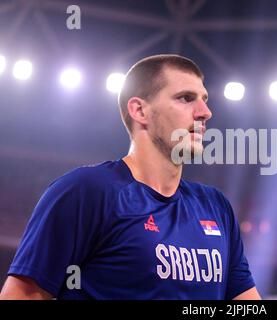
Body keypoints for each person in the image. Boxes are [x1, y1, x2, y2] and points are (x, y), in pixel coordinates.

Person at [0, 54, 260, 300]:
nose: (205, 112)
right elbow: (21, 295)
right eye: (186, 98)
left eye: (204, 98)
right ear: (139, 111)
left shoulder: (216, 206)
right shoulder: (86, 191)